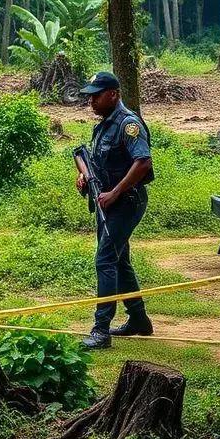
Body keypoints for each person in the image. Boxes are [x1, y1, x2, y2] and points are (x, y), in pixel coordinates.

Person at [74, 72, 155, 350]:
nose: (91, 101)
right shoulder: (104, 126)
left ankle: (101, 330)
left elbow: (142, 162)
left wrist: (116, 191)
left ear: (114, 94)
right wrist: (86, 178)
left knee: (105, 260)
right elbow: (96, 162)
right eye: (90, 96)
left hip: (126, 202)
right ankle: (139, 320)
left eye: (96, 95)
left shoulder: (128, 124)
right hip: (107, 202)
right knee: (119, 261)